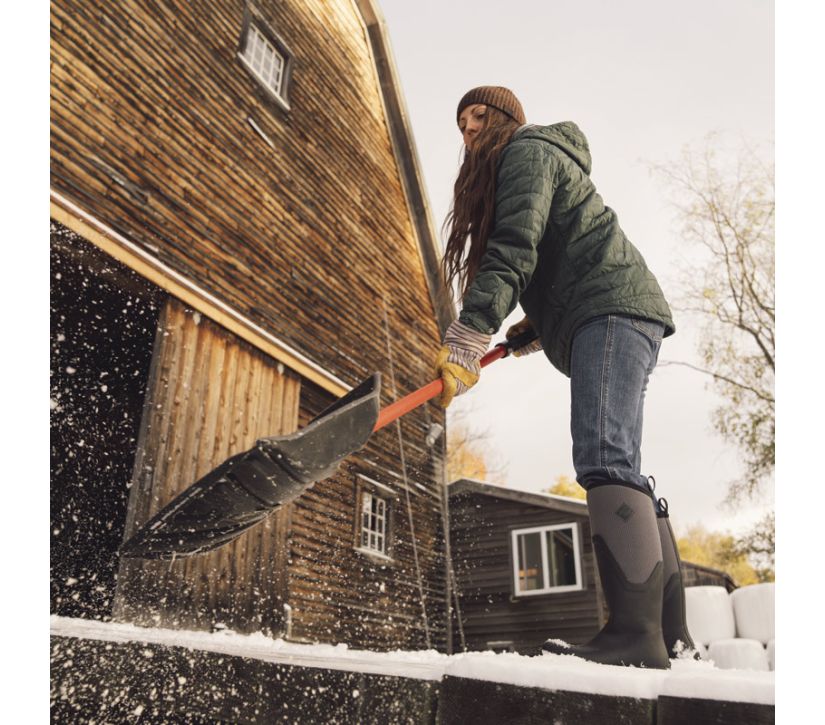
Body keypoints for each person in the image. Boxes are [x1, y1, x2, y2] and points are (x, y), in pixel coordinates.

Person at [434, 86, 697, 669]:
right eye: (461, 124)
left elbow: (514, 248)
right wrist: (536, 322)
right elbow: (557, 251)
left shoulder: (526, 151)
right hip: (609, 310)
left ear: (506, 118)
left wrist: (470, 335)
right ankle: (673, 642)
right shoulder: (529, 160)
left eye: (478, 116)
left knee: (604, 457)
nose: (468, 130)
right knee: (620, 459)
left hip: (610, 309)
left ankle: (635, 636)